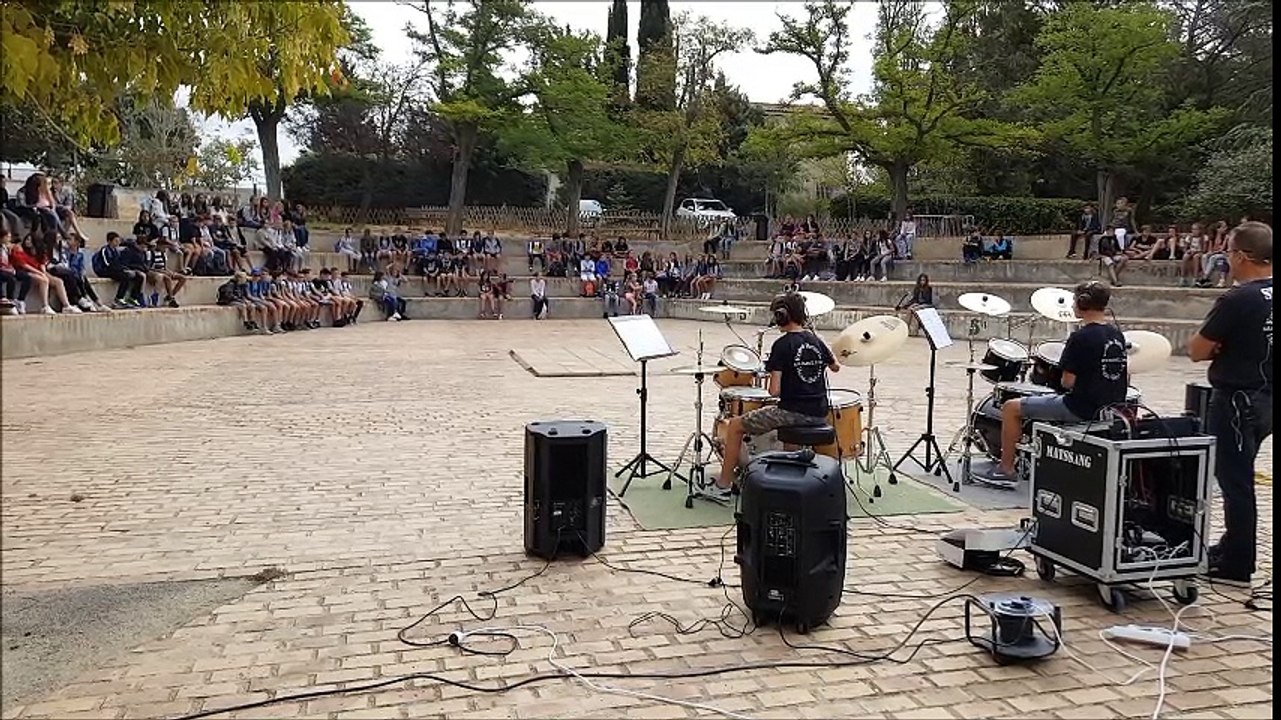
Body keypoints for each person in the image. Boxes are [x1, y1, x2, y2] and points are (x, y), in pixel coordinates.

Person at [1186, 221, 1272, 585]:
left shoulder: (1239, 298)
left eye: (1228, 252)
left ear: (1241, 255)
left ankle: (1237, 564)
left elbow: (1196, 350)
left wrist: (1222, 347)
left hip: (1237, 400)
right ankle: (1230, 545)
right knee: (1242, 473)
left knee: (1235, 482)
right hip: (1268, 399)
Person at [983, 282, 1129, 483]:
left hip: (1080, 408)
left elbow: (1067, 382)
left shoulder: (1080, 337)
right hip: (1110, 408)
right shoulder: (1117, 334)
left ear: (1082, 302)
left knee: (1010, 407)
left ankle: (1006, 469)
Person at [715, 293, 840, 500]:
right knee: (788, 435)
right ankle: (789, 483)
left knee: (735, 425)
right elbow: (835, 366)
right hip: (819, 411)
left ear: (782, 316)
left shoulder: (782, 345)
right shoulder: (815, 340)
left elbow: (774, 391)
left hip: (794, 412)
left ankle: (724, 484)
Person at [91, 232, 145, 308]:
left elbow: (120, 263)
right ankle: (118, 299)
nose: (118, 243)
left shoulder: (116, 251)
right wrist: (122, 270)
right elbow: (107, 264)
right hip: (105, 270)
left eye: (118, 241)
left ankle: (132, 297)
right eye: (115, 241)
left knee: (138, 276)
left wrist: (125, 269)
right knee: (126, 276)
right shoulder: (104, 250)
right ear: (109, 241)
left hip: (116, 269)